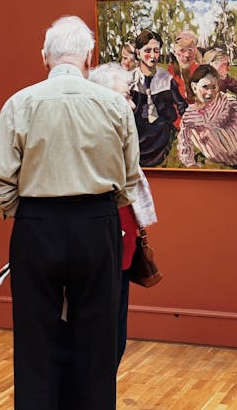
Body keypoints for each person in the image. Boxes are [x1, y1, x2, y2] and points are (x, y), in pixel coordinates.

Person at [0, 16, 140, 410]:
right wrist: (100, 207)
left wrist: (29, 212)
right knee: (98, 341)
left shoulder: (20, 103)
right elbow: (129, 180)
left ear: (44, 58)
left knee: (35, 340)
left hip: (37, 227)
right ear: (89, 57)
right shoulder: (114, 106)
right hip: (97, 224)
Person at [89, 63, 158, 365]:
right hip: (102, 250)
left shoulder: (120, 139)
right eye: (125, 95)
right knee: (101, 343)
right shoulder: (94, 143)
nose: (131, 103)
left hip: (122, 253)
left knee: (114, 341)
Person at [177, 64, 237, 168]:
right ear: (194, 87)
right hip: (217, 152)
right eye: (205, 87)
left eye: (214, 87)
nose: (210, 92)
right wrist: (190, 164)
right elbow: (184, 143)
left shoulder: (223, 99)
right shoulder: (189, 116)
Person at [130, 29, 187, 167]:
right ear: (138, 53)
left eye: (156, 50)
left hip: (162, 130)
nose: (153, 55)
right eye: (147, 51)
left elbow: (182, 106)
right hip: (138, 132)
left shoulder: (166, 79)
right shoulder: (130, 80)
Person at [168, 29, 201, 103]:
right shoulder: (169, 74)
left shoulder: (200, 72)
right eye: (182, 50)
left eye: (190, 50)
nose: (187, 55)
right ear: (175, 52)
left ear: (195, 51)